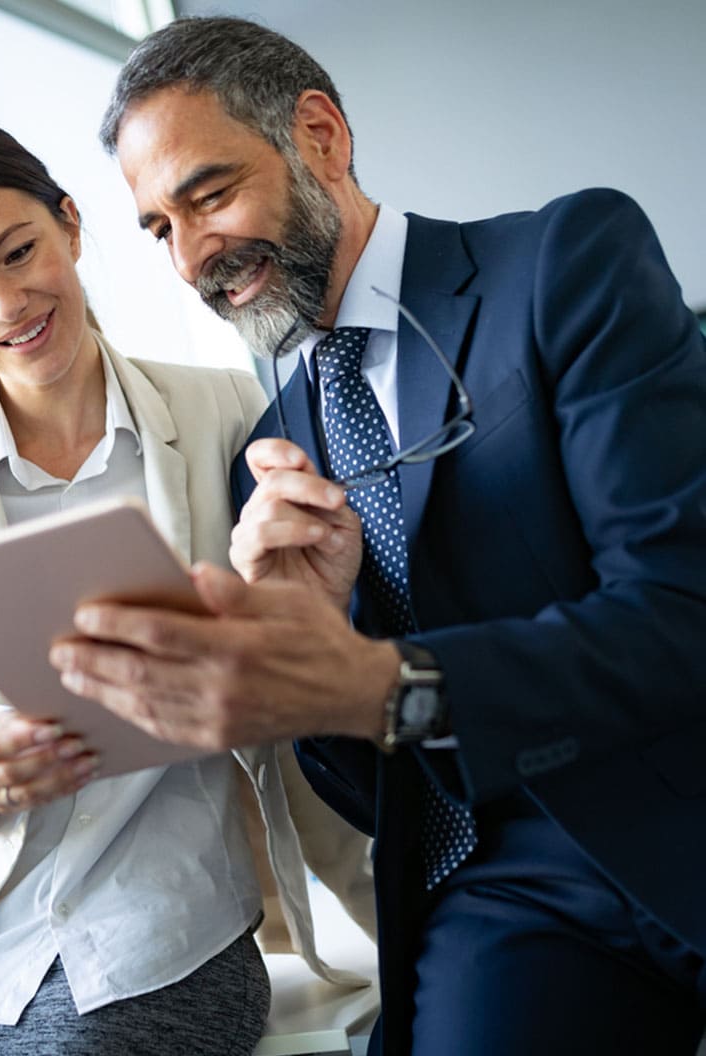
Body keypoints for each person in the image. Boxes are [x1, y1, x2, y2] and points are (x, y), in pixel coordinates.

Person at [47, 15, 706, 1056]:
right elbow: (368, 787)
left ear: (319, 136)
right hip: (503, 894)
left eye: (210, 195)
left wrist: (383, 680)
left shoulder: (562, 264)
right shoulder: (271, 450)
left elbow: (686, 613)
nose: (191, 259)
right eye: (160, 228)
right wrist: (298, 629)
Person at [0, 120, 376, 1056]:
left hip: (165, 929)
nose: (6, 304)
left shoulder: (224, 413)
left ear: (72, 225)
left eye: (19, 252)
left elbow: (315, 642)